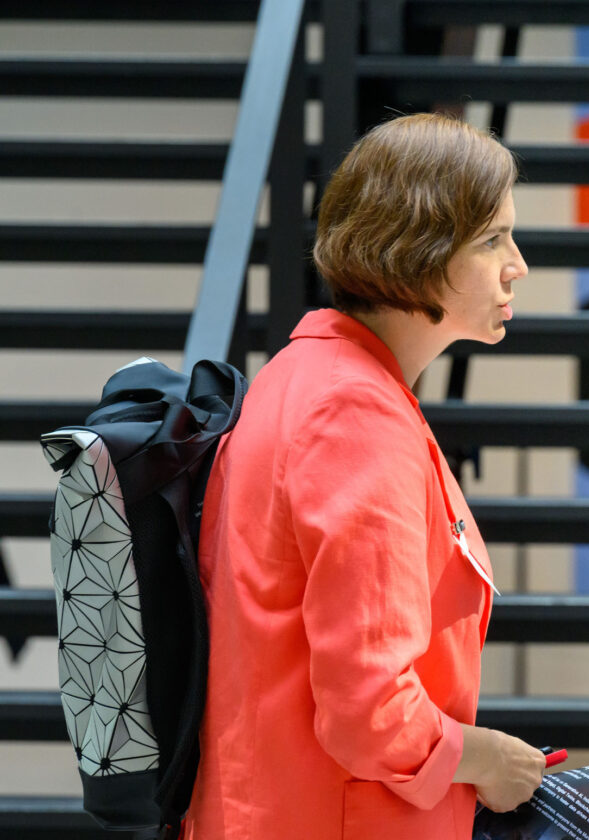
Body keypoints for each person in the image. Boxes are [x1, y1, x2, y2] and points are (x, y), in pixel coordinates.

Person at [183, 113, 544, 840]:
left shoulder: (305, 374)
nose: (518, 265)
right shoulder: (355, 415)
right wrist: (488, 760)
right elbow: (370, 708)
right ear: (420, 250)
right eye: (492, 239)